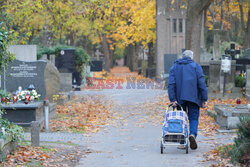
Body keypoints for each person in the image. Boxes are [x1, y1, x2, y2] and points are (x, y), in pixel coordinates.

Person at [167, 50, 208, 150]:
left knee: (181, 119)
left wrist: (172, 99)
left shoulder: (174, 67)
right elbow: (202, 83)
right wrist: (204, 98)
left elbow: (171, 84)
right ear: (191, 57)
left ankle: (182, 142)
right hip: (193, 97)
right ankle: (192, 134)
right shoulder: (196, 66)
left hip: (179, 98)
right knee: (193, 118)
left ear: (183, 56)